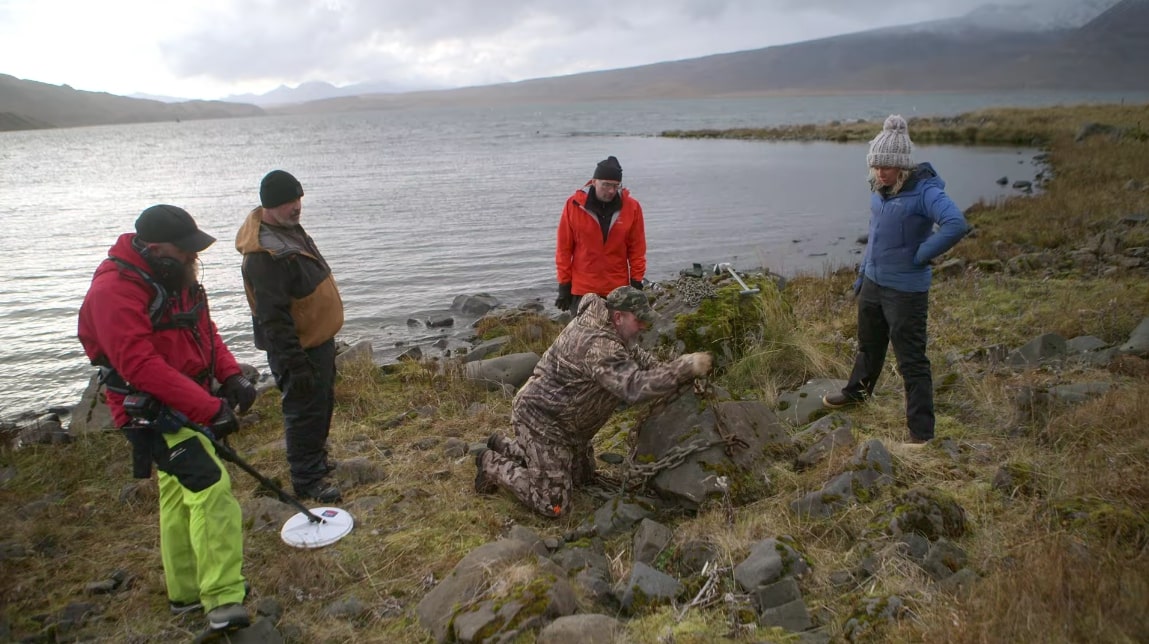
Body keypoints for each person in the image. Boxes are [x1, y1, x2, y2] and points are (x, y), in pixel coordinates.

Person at [78, 205, 255, 631]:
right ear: (155, 248)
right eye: (185, 250)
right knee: (210, 485)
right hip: (151, 411)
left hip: (188, 398)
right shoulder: (114, 290)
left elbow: (204, 331)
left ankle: (185, 592)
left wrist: (230, 375)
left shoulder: (175, 277)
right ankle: (223, 599)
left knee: (178, 494)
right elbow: (139, 366)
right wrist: (208, 408)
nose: (193, 257)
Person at [477, 286, 712, 517]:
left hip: (571, 427)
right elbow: (633, 387)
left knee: (582, 480)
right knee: (554, 504)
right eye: (638, 320)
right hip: (542, 422)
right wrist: (685, 367)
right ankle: (490, 463)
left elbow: (645, 363)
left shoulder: (615, 333)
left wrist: (681, 379)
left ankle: (505, 445)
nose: (643, 325)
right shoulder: (598, 345)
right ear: (618, 317)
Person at [822, 115, 970, 444]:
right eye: (876, 165)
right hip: (874, 283)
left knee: (911, 361)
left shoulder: (925, 191)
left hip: (905, 290)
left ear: (902, 165)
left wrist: (921, 254)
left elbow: (956, 224)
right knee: (869, 346)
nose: (880, 172)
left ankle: (921, 433)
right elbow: (875, 236)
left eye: (887, 166)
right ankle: (857, 394)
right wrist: (863, 275)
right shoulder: (881, 190)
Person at [236, 170, 345, 502]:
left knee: (320, 404)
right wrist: (295, 364)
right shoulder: (264, 254)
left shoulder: (286, 228)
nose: (296, 206)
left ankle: (317, 462)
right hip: (298, 348)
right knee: (303, 411)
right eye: (287, 202)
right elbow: (273, 318)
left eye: (298, 199)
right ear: (269, 205)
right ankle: (307, 479)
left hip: (316, 340)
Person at [554, 155, 647, 315]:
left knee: (618, 332)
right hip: (583, 289)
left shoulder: (632, 207)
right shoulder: (574, 205)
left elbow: (637, 249)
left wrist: (636, 281)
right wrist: (564, 285)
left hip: (618, 290)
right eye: (606, 185)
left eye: (616, 186)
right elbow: (564, 249)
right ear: (594, 181)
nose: (611, 191)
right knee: (583, 332)